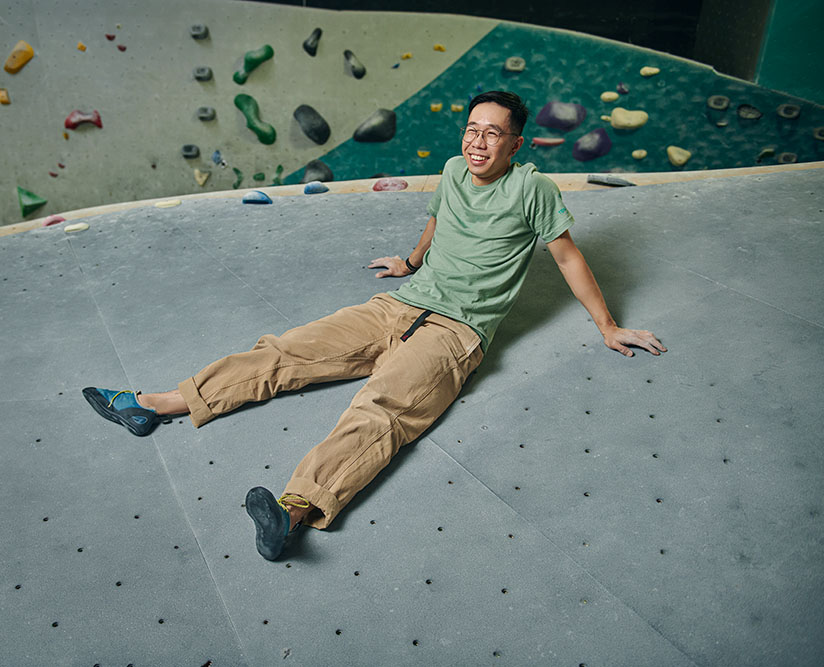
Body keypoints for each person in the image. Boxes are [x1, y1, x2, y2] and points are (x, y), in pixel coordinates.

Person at [83, 90, 666, 561]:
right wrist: (410, 262)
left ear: (515, 144)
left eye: (493, 133)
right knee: (285, 352)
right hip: (400, 305)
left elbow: (566, 256)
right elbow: (438, 220)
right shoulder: (453, 172)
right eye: (471, 128)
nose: (478, 140)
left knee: (381, 410)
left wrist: (608, 326)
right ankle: (154, 405)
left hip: (455, 334)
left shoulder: (531, 189)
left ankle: (292, 512)